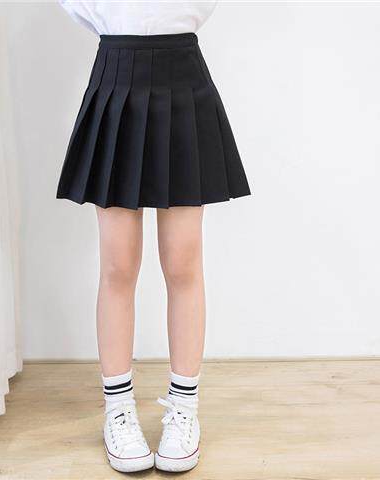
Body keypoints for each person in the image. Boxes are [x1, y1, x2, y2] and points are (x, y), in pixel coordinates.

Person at [57, 1, 250, 473]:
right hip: (115, 76)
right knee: (118, 264)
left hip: (182, 80)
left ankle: (184, 408)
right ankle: (117, 410)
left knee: (183, 262)